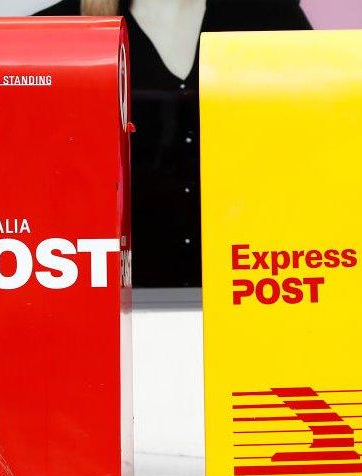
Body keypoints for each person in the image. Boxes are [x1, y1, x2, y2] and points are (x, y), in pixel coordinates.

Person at [36, 0, 312, 287]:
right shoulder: (58, 30)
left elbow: (314, 149)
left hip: (252, 284)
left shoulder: (271, 16)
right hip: (120, 297)